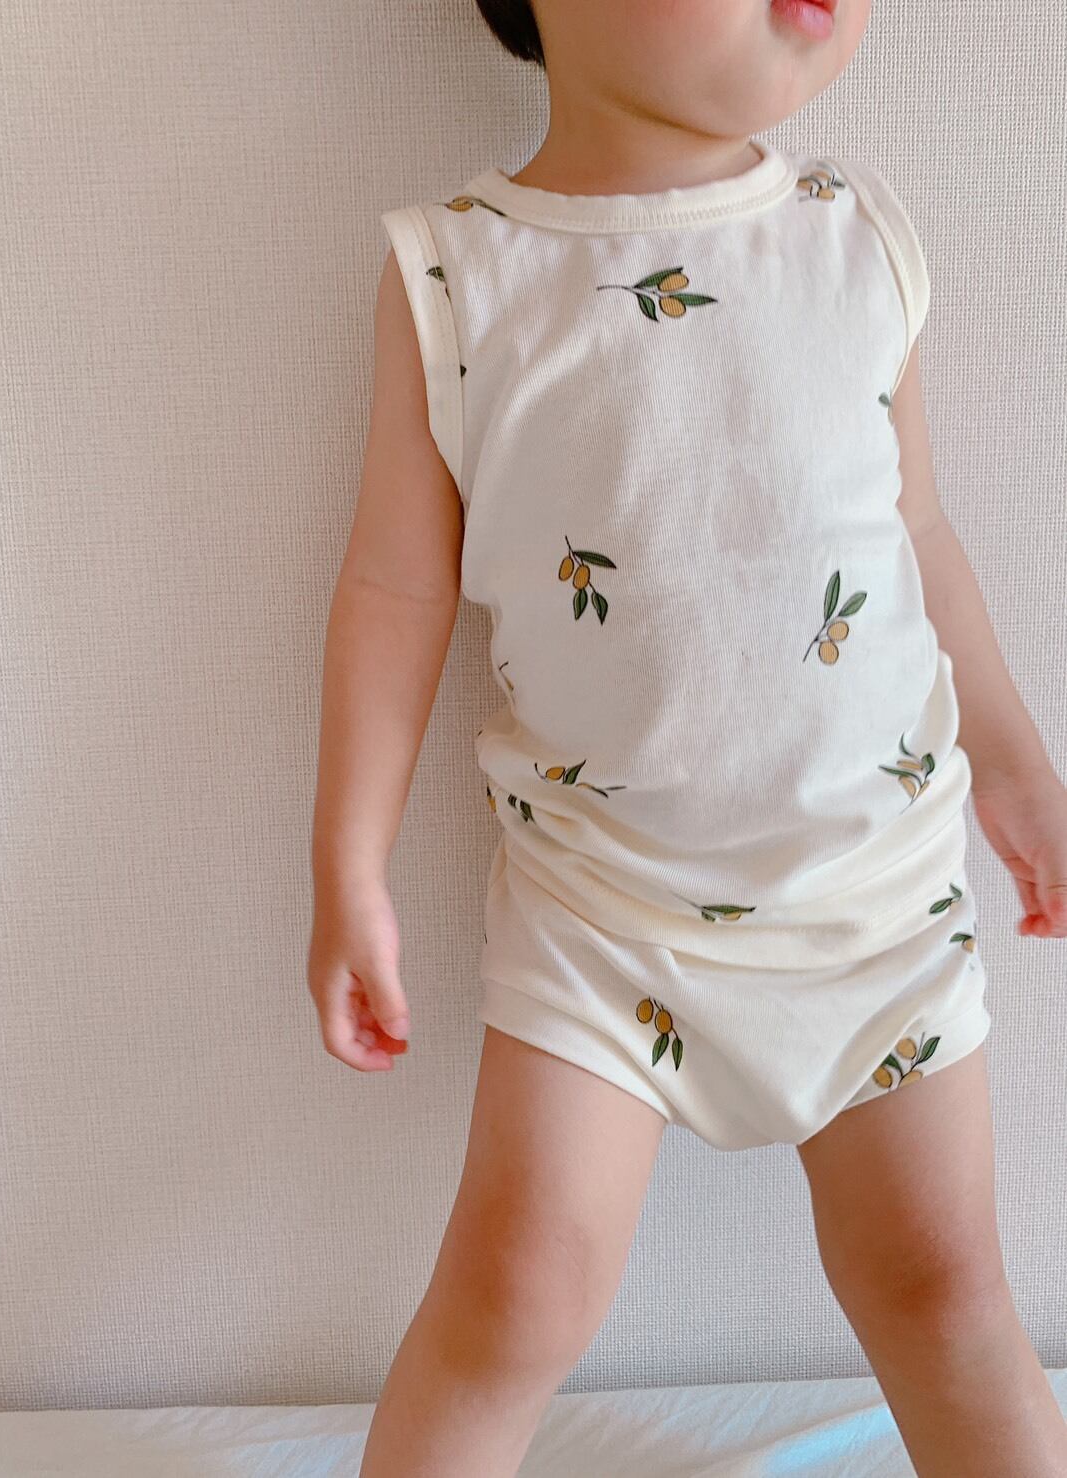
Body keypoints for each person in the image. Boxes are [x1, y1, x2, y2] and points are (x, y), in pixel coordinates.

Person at [308, 2, 1067, 1472]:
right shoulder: (461, 276)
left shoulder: (857, 240)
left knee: (946, 1294)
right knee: (512, 1298)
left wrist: (1022, 767)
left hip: (874, 904)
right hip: (601, 924)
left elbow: (917, 534)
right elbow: (395, 591)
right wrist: (349, 861)